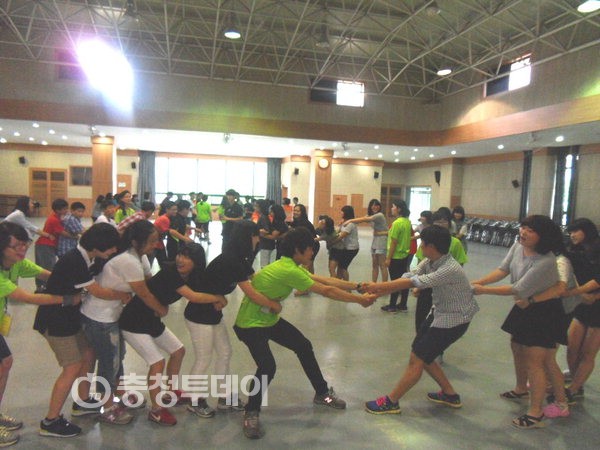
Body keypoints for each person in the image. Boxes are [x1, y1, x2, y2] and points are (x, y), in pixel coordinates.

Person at [233, 227, 377, 439]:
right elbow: (326, 291)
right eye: (309, 248)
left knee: (303, 346)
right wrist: (360, 300)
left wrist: (358, 286)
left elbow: (325, 281)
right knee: (267, 366)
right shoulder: (288, 270)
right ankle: (251, 411)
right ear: (297, 250)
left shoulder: (290, 265)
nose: (312, 252)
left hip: (268, 319)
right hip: (250, 324)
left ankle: (322, 392)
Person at [364, 225, 479, 415]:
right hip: (440, 313)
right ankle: (450, 394)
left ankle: (391, 402)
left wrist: (378, 288)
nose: (419, 246)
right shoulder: (431, 260)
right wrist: (379, 290)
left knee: (417, 359)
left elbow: (415, 283)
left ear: (431, 246)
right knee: (422, 355)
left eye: (422, 243)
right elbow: (411, 275)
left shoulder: (449, 268)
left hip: (455, 320)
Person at [34, 223, 128, 437]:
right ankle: (50, 421)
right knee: (72, 367)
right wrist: (122, 295)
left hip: (69, 317)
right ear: (98, 245)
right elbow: (97, 291)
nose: (114, 250)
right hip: (55, 320)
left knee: (88, 353)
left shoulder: (87, 257)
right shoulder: (75, 260)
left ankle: (83, 402)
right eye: (111, 246)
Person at [471, 215, 565, 429]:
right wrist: (479, 282)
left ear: (543, 236)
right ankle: (521, 388)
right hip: (524, 305)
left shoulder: (546, 260)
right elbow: (503, 270)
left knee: (536, 361)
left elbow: (517, 288)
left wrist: (483, 290)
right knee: (517, 347)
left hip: (543, 311)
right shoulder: (517, 246)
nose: (523, 232)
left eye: (530, 230)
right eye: (523, 227)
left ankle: (536, 412)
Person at [119, 242, 226, 425]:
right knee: (157, 362)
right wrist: (217, 298)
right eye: (180, 254)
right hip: (133, 321)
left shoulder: (191, 276)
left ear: (197, 262)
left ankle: (170, 392)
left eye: (187, 257)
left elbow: (201, 291)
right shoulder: (171, 273)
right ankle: (156, 410)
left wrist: (217, 297)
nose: (180, 259)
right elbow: (193, 296)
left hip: (151, 319)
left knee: (178, 351)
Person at [80, 221, 167, 426]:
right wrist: (161, 309)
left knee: (117, 357)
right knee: (109, 362)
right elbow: (144, 293)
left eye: (156, 241)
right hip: (99, 318)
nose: (155, 245)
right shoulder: (128, 260)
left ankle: (119, 394)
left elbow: (149, 281)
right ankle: (108, 407)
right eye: (151, 241)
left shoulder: (138, 257)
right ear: (136, 242)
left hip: (112, 316)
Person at [0, 222, 79, 447]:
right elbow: (28, 297)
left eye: (24, 244)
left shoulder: (16, 263)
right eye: (16, 246)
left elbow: (47, 275)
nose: (22, 249)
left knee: (5, 363)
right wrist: (67, 299)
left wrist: (74, 282)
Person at [185, 222, 269, 417]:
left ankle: (224, 397)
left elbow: (256, 279)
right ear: (248, 237)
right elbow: (251, 293)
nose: (258, 239)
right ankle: (195, 400)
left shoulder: (239, 258)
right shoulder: (231, 260)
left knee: (225, 352)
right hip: (198, 315)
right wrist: (273, 305)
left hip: (213, 313)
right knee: (203, 358)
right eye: (256, 236)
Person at [557, 218, 600, 404]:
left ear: (587, 231)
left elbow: (597, 280)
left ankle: (574, 389)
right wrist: (581, 295)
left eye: (576, 231)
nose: (572, 235)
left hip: (597, 308)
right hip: (582, 304)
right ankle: (576, 380)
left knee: (588, 352)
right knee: (572, 348)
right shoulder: (574, 250)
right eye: (570, 232)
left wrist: (574, 293)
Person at [343, 199, 388, 282]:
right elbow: (360, 220)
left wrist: (350, 220)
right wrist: (345, 221)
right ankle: (373, 284)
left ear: (379, 207)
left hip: (382, 242)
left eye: (377, 205)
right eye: (373, 205)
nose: (375, 207)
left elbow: (364, 219)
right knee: (374, 265)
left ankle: (384, 286)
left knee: (382, 265)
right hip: (375, 241)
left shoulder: (379, 215)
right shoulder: (370, 215)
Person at [381, 200, 412, 313]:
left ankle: (392, 305)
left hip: (396, 257)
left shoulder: (397, 223)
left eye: (393, 207)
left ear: (399, 209)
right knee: (403, 280)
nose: (391, 208)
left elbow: (394, 242)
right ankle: (403, 304)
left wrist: (388, 258)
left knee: (395, 282)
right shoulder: (407, 222)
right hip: (404, 256)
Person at [33, 198, 70, 292]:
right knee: (46, 267)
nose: (67, 211)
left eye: (67, 208)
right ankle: (43, 287)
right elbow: (63, 232)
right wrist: (76, 236)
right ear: (58, 210)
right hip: (45, 245)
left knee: (45, 266)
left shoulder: (57, 217)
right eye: (65, 209)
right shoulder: (54, 219)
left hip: (48, 245)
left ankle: (42, 287)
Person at [290, 203, 320, 276]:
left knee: (306, 266)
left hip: (311, 246)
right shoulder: (296, 222)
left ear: (302, 212)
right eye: (294, 210)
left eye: (298, 211)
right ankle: (312, 281)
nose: (295, 212)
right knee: (309, 266)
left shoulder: (304, 223)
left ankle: (307, 281)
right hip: (306, 245)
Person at [333, 205, 359, 281]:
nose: (341, 213)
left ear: (346, 213)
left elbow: (341, 236)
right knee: (340, 266)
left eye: (342, 211)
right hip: (346, 247)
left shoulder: (350, 224)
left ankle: (347, 285)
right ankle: (338, 283)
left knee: (343, 267)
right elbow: (337, 232)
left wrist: (331, 242)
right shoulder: (344, 222)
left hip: (351, 249)